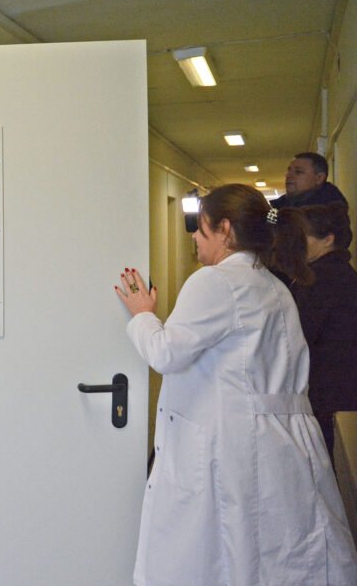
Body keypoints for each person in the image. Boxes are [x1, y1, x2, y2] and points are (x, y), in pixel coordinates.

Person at [114, 184, 357, 585]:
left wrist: (142, 315)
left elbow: (165, 353)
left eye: (200, 227)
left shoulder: (214, 282)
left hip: (231, 446)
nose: (194, 237)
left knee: (224, 554)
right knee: (272, 555)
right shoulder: (275, 286)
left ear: (224, 229)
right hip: (282, 445)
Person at [291, 202, 357, 459]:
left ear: (328, 239)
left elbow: (302, 333)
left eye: (304, 237)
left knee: (317, 456)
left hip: (323, 384)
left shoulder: (322, 278)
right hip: (331, 384)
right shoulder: (336, 272)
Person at [270, 151, 348, 208]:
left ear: (319, 178)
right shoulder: (278, 206)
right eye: (289, 170)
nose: (288, 175)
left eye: (298, 172)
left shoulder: (329, 213)